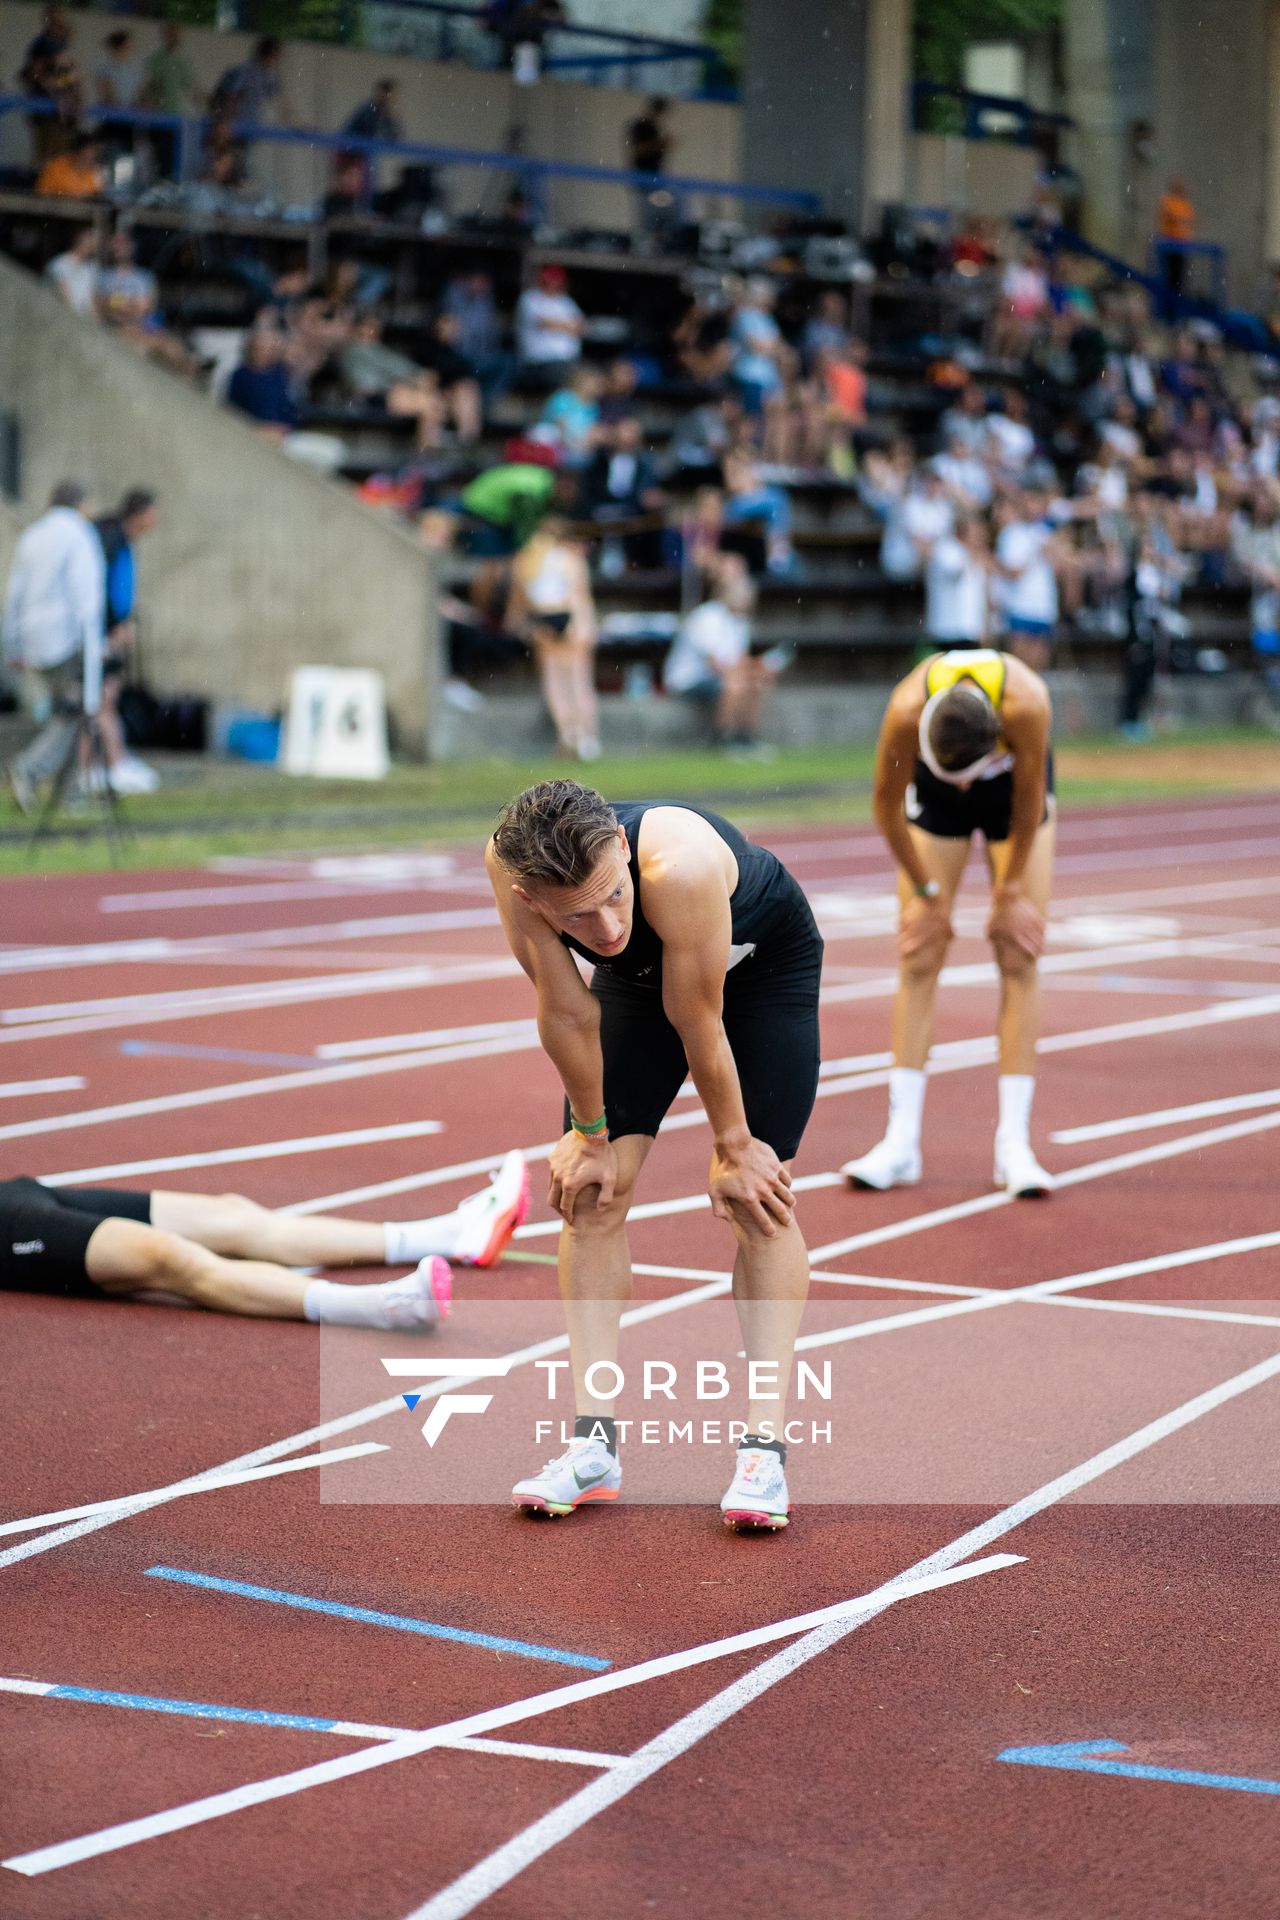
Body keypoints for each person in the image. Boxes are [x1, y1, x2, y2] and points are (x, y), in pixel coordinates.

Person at [486, 782, 824, 1530]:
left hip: (761, 968)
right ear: (531, 898)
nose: (605, 926)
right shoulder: (512, 874)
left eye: (613, 896)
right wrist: (589, 1134)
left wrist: (735, 1148)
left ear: (621, 849)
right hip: (642, 989)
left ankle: (764, 1451)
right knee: (591, 1193)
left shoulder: (681, 868)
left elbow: (698, 1020)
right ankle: (593, 1447)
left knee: (754, 1197)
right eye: (578, 914)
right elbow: (567, 1008)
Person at [841, 647, 1055, 1200]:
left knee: (1018, 949)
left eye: (967, 777)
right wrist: (925, 890)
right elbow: (886, 808)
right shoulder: (906, 710)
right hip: (932, 804)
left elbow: (1031, 797)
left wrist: (1009, 893)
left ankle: (1015, 1145)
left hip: (1012, 796)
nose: (964, 786)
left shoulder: (1027, 703)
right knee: (919, 951)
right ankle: (900, 1141)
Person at [0, 1154, 528, 1324]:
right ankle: (378, 1305)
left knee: (233, 1217)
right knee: (165, 1257)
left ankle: (455, 1235)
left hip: (18, 1195)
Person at [1, 481, 104, 815]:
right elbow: (85, 595)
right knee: (75, 713)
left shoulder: (32, 535)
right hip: (67, 640)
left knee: (65, 711)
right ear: (80, 504)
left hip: (34, 638)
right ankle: (32, 769)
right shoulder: (78, 535)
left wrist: (13, 642)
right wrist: (93, 645)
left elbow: (15, 591)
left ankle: (68, 792)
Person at [663, 551, 781, 752]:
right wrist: (748, 668)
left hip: (715, 676)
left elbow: (736, 659)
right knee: (734, 682)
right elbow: (715, 664)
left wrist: (760, 668)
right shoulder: (706, 616)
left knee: (759, 681)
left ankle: (746, 737)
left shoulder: (739, 622)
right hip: (688, 679)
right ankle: (721, 738)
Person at [507, 519, 600, 760]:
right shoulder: (570, 559)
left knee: (555, 680)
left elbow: (520, 603)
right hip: (571, 620)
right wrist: (585, 627)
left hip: (546, 620)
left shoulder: (526, 560)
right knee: (578, 680)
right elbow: (580, 596)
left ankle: (568, 734)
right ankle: (585, 737)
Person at [92, 489, 160, 796]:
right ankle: (106, 766)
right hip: (102, 633)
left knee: (105, 700)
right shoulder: (111, 537)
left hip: (111, 629)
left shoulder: (122, 538)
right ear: (141, 512)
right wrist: (113, 625)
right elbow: (100, 585)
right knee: (100, 701)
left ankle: (111, 763)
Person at [20, 6, 82, 165]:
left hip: (64, 111)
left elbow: (71, 78)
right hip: (47, 109)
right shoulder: (42, 44)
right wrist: (53, 83)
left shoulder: (62, 46)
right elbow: (34, 74)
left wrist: (65, 83)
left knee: (62, 154)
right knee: (47, 155)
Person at [141, 23, 203, 179]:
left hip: (174, 118)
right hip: (157, 117)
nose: (176, 39)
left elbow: (192, 88)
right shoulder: (156, 60)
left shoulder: (182, 62)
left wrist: (206, 106)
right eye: (173, 35)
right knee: (157, 155)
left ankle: (168, 185)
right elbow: (145, 88)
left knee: (171, 156)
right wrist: (147, 104)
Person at [516, 265, 584, 383]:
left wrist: (559, 325)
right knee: (566, 376)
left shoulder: (565, 301)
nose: (552, 284)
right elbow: (544, 323)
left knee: (588, 375)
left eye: (556, 281)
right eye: (549, 281)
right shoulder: (530, 298)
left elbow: (582, 326)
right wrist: (569, 326)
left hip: (567, 361)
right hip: (538, 362)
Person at [45, 225, 99, 318]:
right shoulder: (60, 264)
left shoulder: (89, 268)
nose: (94, 247)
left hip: (82, 322)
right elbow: (64, 297)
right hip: (63, 320)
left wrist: (98, 326)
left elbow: (90, 301)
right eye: (92, 243)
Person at [1157, 177, 1196, 300]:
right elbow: (1172, 218)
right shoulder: (1168, 201)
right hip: (1169, 245)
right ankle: (1168, 303)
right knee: (1169, 276)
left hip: (1181, 246)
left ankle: (1176, 301)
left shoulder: (1185, 204)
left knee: (1179, 277)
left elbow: (1188, 221)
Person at [35, 129, 103, 199]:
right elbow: (41, 197)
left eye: (96, 153)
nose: (93, 157)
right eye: (89, 152)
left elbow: (97, 198)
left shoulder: (94, 174)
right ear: (77, 152)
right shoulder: (55, 169)